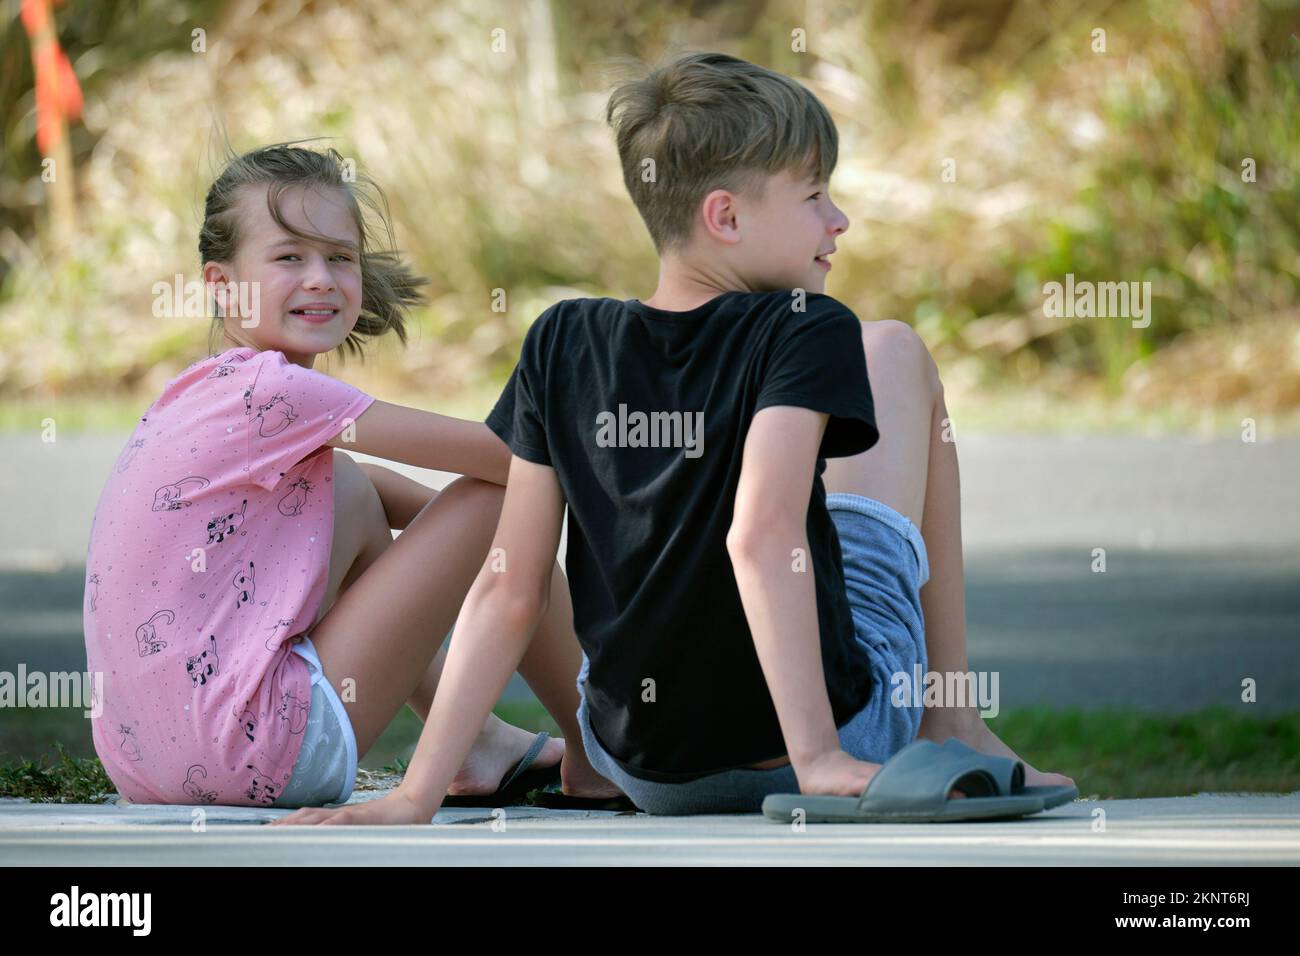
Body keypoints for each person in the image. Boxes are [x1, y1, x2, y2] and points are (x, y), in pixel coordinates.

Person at [276, 53, 1074, 824]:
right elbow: (760, 537)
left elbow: (508, 588)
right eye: (815, 196)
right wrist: (822, 761)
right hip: (820, 745)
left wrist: (415, 796)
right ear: (724, 216)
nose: (840, 221)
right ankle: (952, 720)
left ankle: (906, 727)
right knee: (897, 349)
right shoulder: (807, 326)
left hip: (642, 766)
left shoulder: (561, 339)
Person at [84, 143, 620, 808]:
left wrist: (451, 558)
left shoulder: (199, 393)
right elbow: (514, 459)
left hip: (149, 768)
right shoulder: (275, 393)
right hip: (257, 755)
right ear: (221, 283)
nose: (320, 278)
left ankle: (479, 744)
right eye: (289, 258)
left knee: (352, 488)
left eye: (339, 258)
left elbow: (371, 494)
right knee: (497, 503)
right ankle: (602, 753)